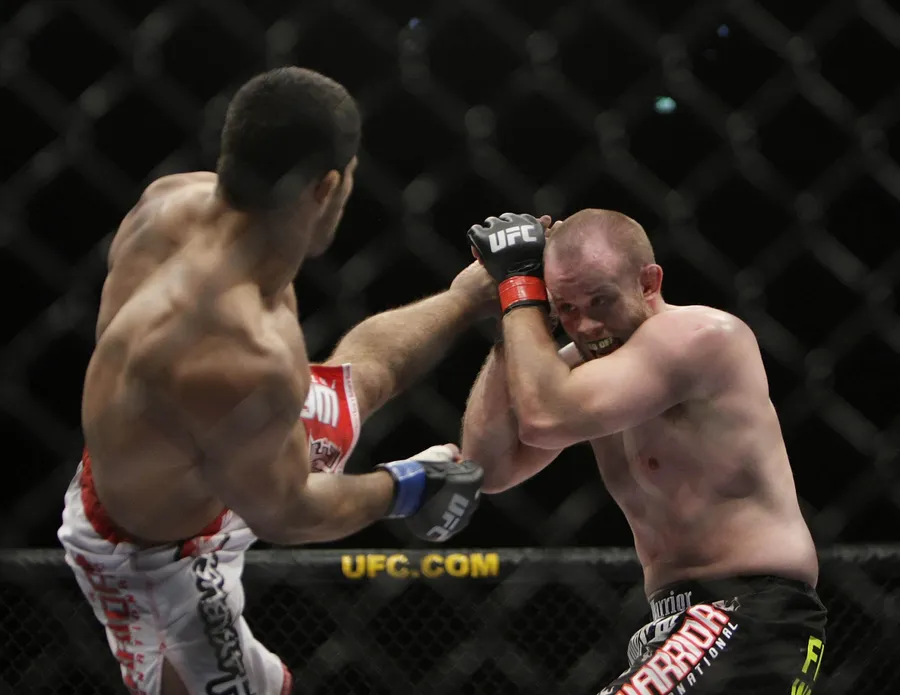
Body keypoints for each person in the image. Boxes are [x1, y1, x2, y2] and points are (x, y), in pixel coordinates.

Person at [57, 66, 491, 695]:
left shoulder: (172, 202)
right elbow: (289, 512)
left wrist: (469, 300)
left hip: (206, 447)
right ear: (328, 186)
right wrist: (408, 487)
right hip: (159, 554)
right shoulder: (240, 356)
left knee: (355, 385)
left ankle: (469, 296)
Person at [462, 210, 827, 694]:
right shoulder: (576, 373)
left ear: (649, 282)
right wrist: (513, 308)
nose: (587, 325)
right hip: (673, 625)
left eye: (601, 300)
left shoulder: (699, 337)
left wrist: (519, 293)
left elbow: (545, 418)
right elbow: (486, 468)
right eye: (565, 308)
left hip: (751, 610)